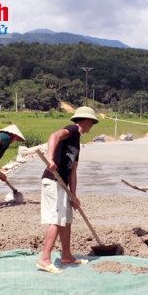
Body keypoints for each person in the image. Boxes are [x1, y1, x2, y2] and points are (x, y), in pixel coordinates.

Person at [36, 106, 98, 274]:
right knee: (56, 219)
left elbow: (73, 171)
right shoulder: (72, 129)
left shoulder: (77, 142)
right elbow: (54, 136)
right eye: (92, 123)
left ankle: (67, 256)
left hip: (63, 184)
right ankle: (44, 258)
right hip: (53, 181)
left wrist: (73, 195)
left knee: (66, 220)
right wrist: (50, 159)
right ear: (86, 121)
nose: (91, 127)